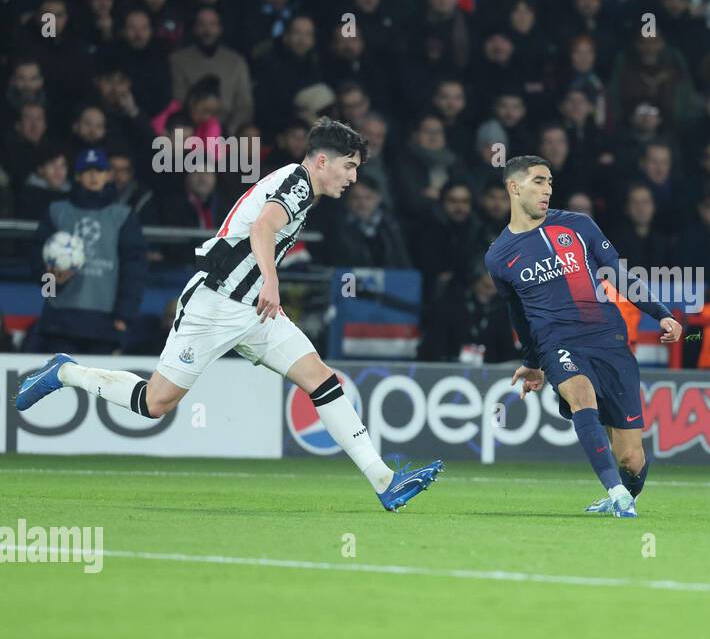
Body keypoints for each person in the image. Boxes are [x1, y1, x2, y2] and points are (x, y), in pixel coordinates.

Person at [14, 120, 442, 512]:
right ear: (323, 161)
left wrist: (265, 286)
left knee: (321, 379)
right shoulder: (297, 182)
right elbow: (262, 229)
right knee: (155, 403)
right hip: (216, 304)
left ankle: (384, 480)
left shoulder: (300, 186)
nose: (353, 177)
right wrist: (272, 281)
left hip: (254, 310)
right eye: (349, 167)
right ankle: (65, 372)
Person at [485, 155, 683, 519]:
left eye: (550, 183)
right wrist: (532, 362)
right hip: (556, 342)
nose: (547, 190)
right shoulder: (499, 256)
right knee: (580, 394)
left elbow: (619, 275)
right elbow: (518, 314)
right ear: (514, 188)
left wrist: (662, 314)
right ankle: (616, 493)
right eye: (539, 181)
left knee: (631, 459)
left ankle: (623, 492)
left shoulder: (578, 225)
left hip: (607, 338)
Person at [26, 148, 146, 355]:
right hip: (60, 319)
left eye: (99, 170)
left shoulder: (123, 216)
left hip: (105, 321)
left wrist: (124, 315)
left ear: (108, 175)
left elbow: (134, 268)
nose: (93, 176)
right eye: (87, 170)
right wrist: (53, 282)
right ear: (78, 176)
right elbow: (38, 262)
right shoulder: (56, 211)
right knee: (63, 385)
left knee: (98, 387)